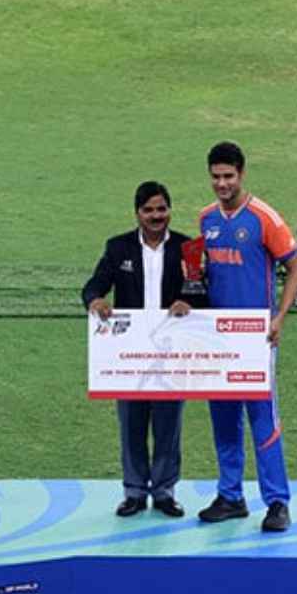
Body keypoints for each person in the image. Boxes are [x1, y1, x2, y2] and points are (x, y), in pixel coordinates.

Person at [196, 141, 297, 532]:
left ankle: (277, 502)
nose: (221, 183)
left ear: (242, 174)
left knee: (263, 420)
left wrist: (279, 317)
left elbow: (296, 268)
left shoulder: (263, 218)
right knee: (223, 419)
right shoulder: (206, 219)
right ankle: (231, 496)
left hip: (256, 340)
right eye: (215, 176)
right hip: (216, 340)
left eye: (228, 176)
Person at [81, 181, 197, 518]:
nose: (156, 216)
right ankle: (133, 491)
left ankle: (163, 492)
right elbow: (93, 285)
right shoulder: (118, 248)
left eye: (161, 209)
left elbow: (201, 290)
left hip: (171, 353)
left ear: (169, 211)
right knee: (131, 424)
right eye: (149, 210)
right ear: (137, 213)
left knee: (168, 426)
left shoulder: (187, 247)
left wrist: (187, 302)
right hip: (129, 355)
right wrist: (96, 301)